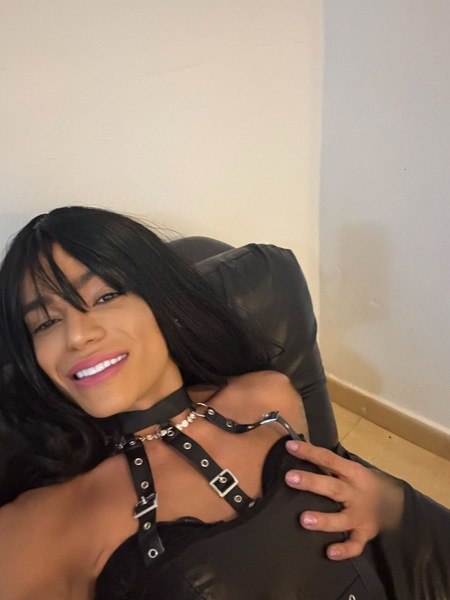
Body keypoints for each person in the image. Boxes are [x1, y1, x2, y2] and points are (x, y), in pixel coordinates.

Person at [0, 206, 448, 600]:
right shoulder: (41, 531)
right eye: (45, 323)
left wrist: (387, 505)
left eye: (105, 296)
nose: (77, 335)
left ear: (160, 297)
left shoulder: (269, 396)